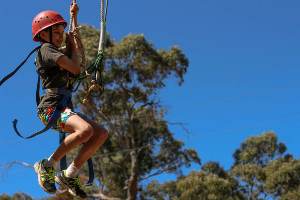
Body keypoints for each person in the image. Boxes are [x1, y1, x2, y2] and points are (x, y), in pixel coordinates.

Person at [32, 3, 108, 198]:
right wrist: (72, 43)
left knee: (100, 133)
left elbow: (77, 49)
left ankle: (69, 173)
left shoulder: (58, 51)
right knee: (86, 131)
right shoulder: (46, 50)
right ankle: (47, 164)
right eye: (56, 33)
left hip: (63, 106)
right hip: (50, 108)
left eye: (61, 32)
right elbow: (75, 68)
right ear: (43, 35)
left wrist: (73, 17)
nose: (60, 36)